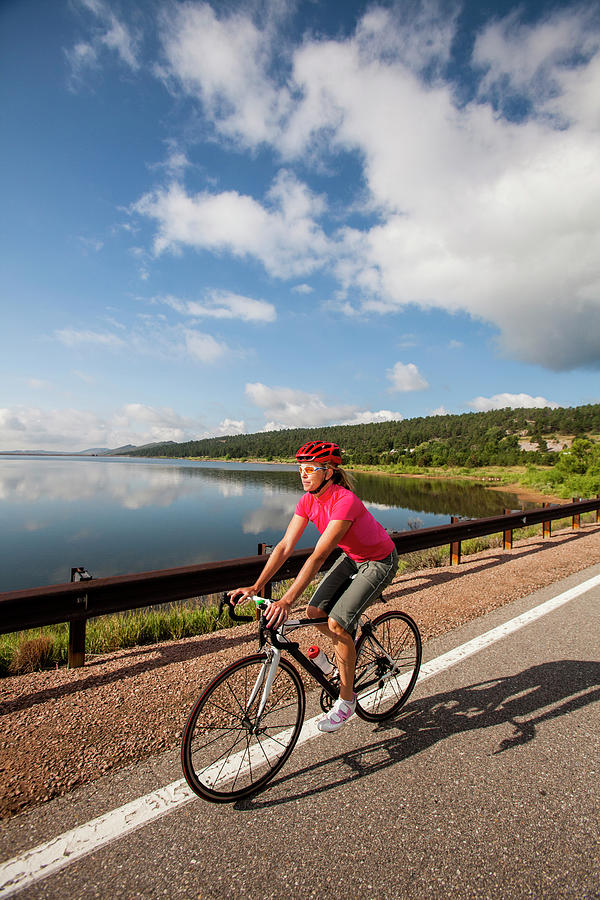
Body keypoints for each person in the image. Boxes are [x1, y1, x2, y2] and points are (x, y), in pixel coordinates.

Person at [229, 440, 398, 733]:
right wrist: (256, 586)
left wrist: (286, 601)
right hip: (353, 557)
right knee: (314, 611)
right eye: (300, 469)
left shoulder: (344, 501)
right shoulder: (307, 501)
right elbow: (283, 547)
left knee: (335, 624)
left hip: (379, 561)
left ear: (329, 472)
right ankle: (341, 660)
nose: (303, 474)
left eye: (311, 469)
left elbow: (318, 556)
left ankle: (347, 701)